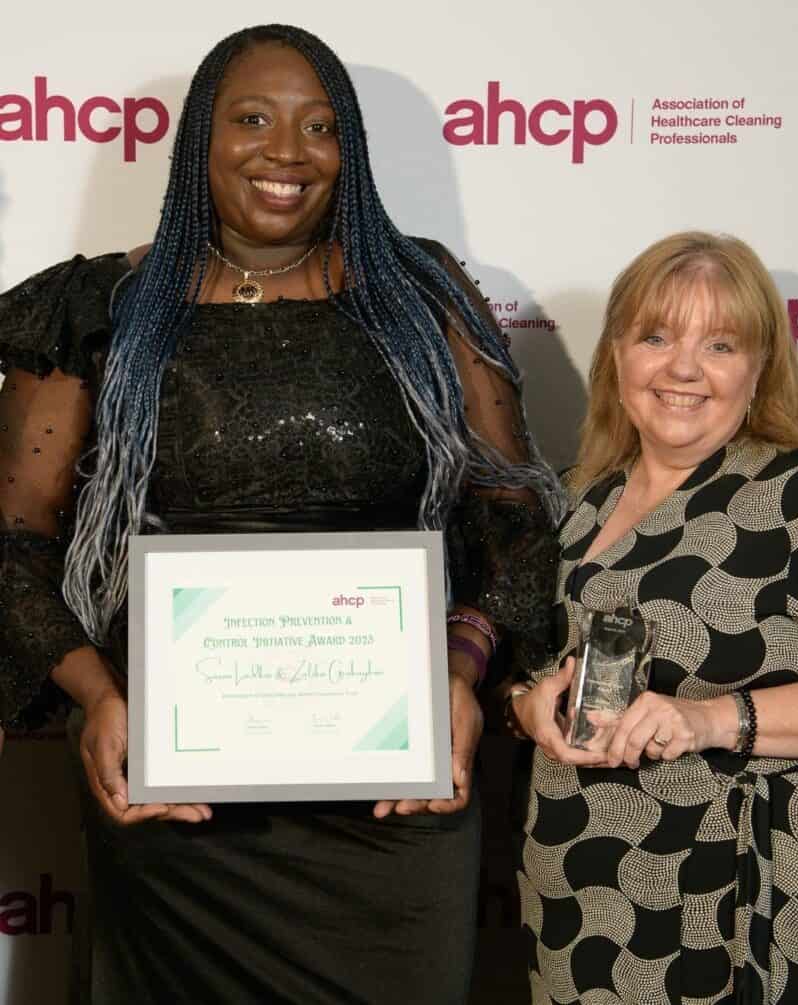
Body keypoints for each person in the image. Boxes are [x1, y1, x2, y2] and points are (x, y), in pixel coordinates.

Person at [0, 23, 561, 1004]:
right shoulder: (106, 306)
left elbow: (510, 517)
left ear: (349, 150)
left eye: (319, 126)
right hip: (179, 796)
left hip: (397, 787)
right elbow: (14, 543)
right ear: (198, 144)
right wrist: (100, 700)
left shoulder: (420, 295)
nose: (286, 153)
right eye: (251, 119)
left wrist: (462, 675)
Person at [508, 232, 798, 1004]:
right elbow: (532, 659)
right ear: (618, 355)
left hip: (751, 890)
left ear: (759, 367)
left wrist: (708, 720)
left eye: (721, 343)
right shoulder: (577, 496)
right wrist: (528, 701)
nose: (684, 369)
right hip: (580, 886)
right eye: (656, 336)